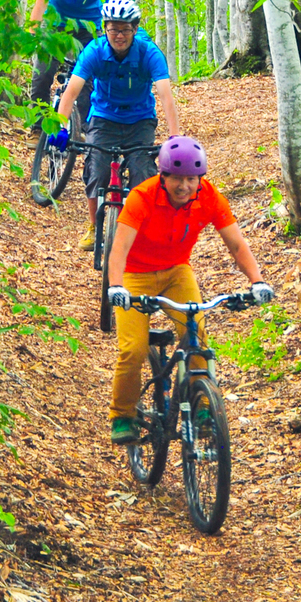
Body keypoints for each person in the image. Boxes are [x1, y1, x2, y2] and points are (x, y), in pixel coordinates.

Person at [101, 136, 276, 444]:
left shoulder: (208, 197)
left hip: (176, 272)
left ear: (200, 179)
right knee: (133, 349)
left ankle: (204, 408)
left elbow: (236, 244)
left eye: (191, 179)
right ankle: (122, 414)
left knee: (197, 336)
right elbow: (119, 249)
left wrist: (257, 281)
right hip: (134, 274)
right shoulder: (142, 197)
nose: (184, 186)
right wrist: (116, 286)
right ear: (163, 177)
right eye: (177, 179)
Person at [48, 0, 180, 251]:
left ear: (135, 29)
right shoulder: (95, 51)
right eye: (113, 28)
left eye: (125, 29)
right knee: (96, 168)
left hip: (139, 119)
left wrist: (174, 138)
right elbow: (72, 91)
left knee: (143, 172)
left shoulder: (149, 53)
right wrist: (61, 127)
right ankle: (93, 226)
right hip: (104, 118)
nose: (119, 35)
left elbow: (165, 95)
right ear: (105, 27)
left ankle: (143, 225)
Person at [28, 0, 120, 126]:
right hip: (56, 27)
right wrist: (33, 31)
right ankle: (38, 126)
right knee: (42, 75)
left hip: (89, 29)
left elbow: (114, 12)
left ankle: (86, 128)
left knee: (89, 77)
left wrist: (113, 42)